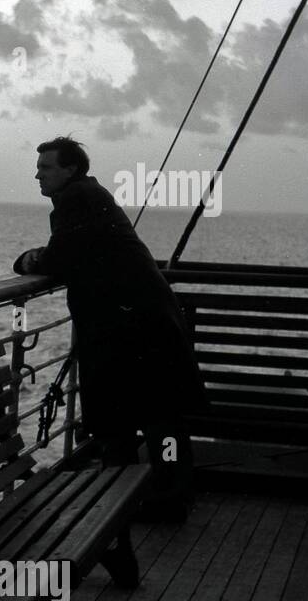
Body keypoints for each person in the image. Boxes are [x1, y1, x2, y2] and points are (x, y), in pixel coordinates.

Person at [13, 137, 207, 567]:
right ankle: (159, 500)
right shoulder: (90, 195)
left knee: (122, 418)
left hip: (131, 327)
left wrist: (27, 260)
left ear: (71, 170)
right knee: (160, 417)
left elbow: (60, 259)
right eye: (39, 166)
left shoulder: (77, 200)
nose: (38, 173)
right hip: (144, 321)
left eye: (46, 166)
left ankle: (122, 503)